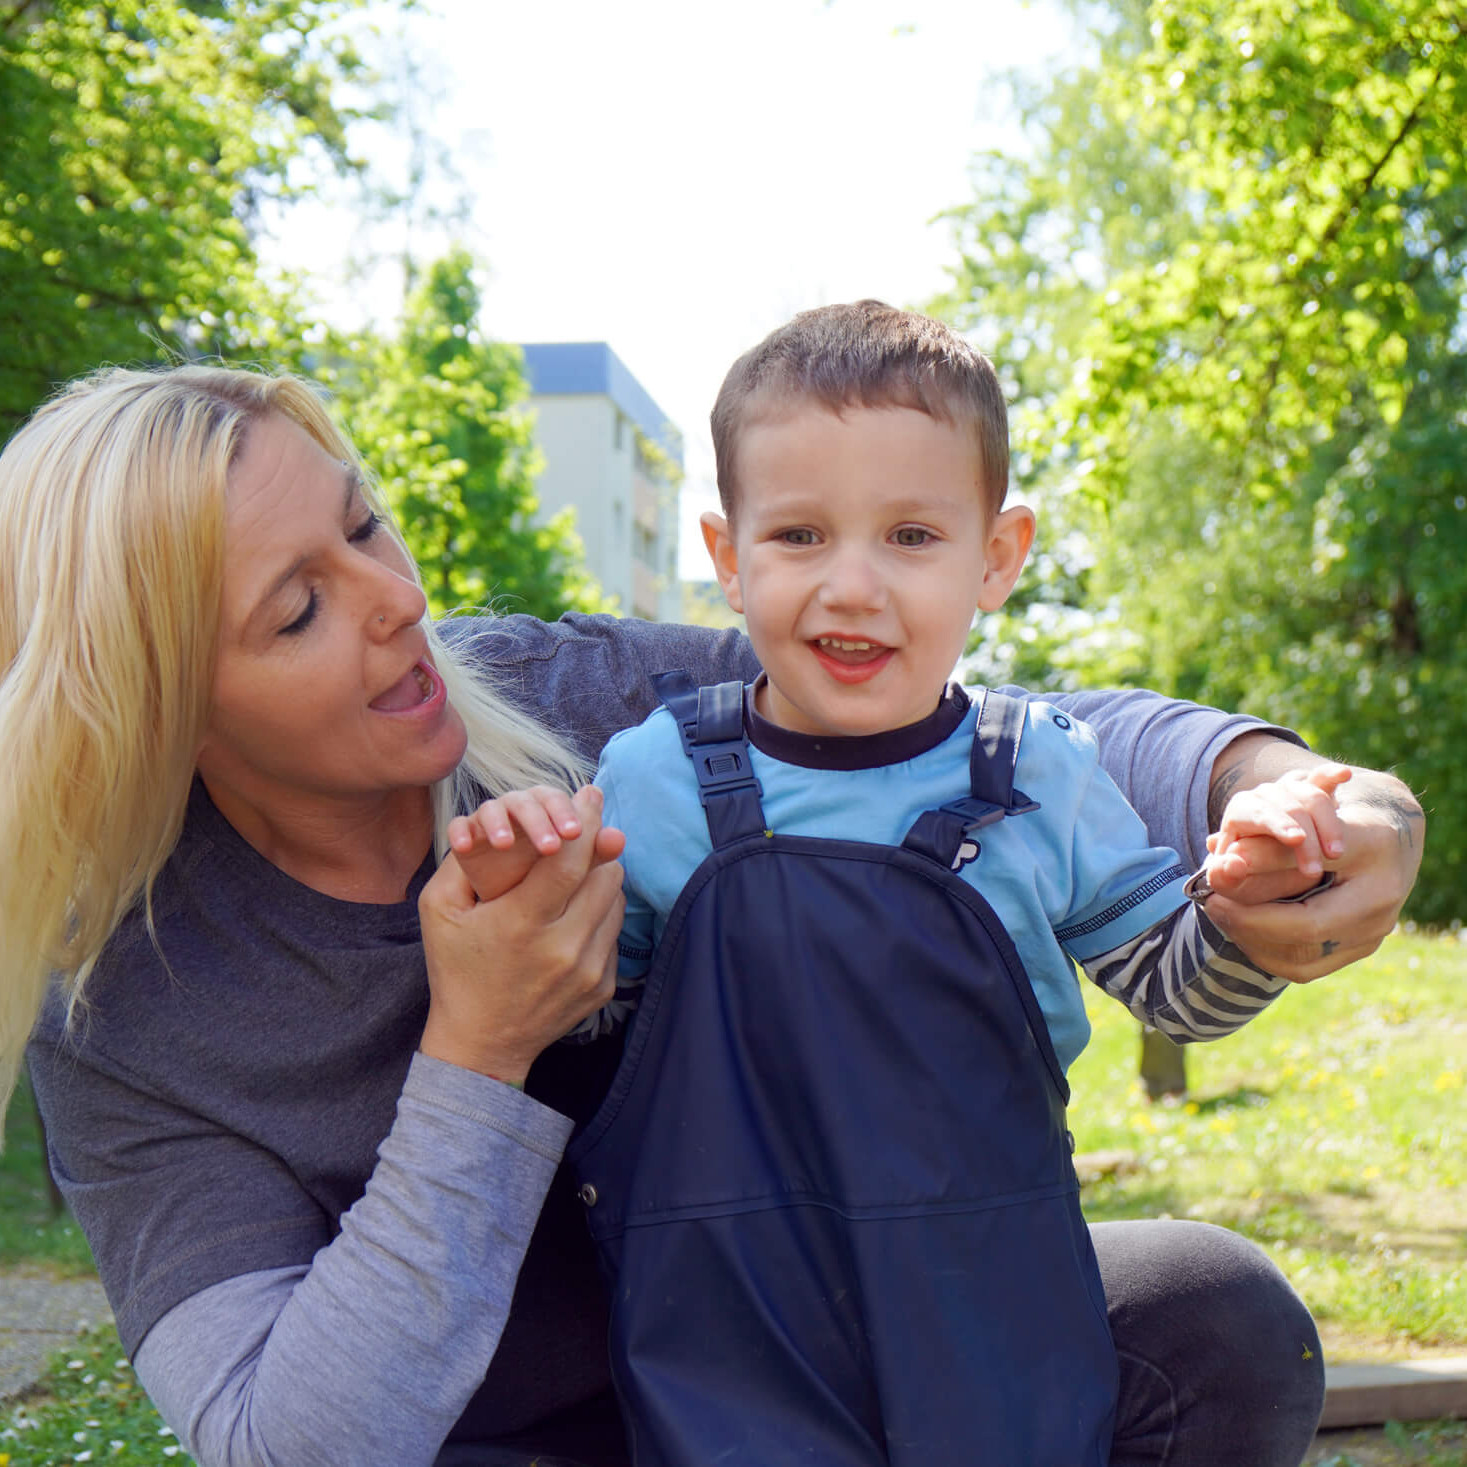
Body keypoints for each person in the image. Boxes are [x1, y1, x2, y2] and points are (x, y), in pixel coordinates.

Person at [0, 360, 1421, 1467]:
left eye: (364, 522)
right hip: (531, 1435)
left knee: (1204, 1318)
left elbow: (963, 734)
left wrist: (1288, 786)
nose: (395, 601)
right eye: (295, 609)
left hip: (840, 1333)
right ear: (165, 704)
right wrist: (476, 1053)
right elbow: (287, 1438)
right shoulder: (123, 1022)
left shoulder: (583, 708)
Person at [449, 302, 1354, 1466]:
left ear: (998, 557)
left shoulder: (1042, 776)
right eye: (801, 537)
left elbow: (1186, 1002)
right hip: (726, 1349)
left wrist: (1249, 906)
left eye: (913, 537)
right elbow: (578, 1028)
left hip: (992, 1336)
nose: (853, 587)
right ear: (730, 560)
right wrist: (527, 893)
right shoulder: (658, 780)